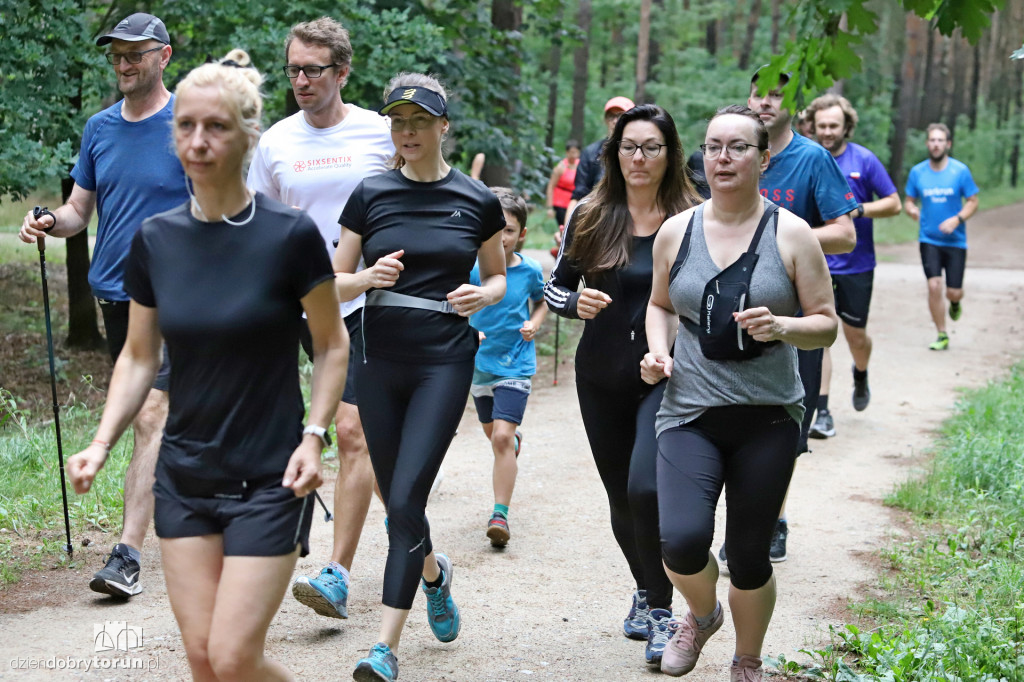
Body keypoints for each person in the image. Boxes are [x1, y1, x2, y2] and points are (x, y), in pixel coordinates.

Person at [64, 50, 348, 681]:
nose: (197, 140)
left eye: (215, 126)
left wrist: (315, 434)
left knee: (232, 656)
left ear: (247, 135)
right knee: (201, 661)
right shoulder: (156, 240)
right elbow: (140, 355)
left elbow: (331, 346)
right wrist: (102, 441)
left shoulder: (289, 235)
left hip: (269, 477)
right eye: (186, 125)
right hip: (185, 477)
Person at [642, 104, 838, 681]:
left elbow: (825, 322)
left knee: (749, 555)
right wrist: (658, 350)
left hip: (769, 415)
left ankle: (747, 659)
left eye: (737, 147)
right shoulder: (677, 231)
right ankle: (701, 616)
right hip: (689, 411)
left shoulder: (793, 233)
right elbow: (658, 304)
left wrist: (782, 326)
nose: (723, 158)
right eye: (713, 147)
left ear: (763, 159)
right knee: (679, 541)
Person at [332, 73, 506, 682]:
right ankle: (433, 575)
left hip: (444, 359)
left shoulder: (477, 199)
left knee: (405, 498)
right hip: (377, 356)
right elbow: (333, 283)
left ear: (442, 126)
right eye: (397, 121)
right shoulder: (370, 193)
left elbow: (499, 278)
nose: (406, 132)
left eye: (418, 121)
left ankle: (384, 645)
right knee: (399, 498)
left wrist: (480, 295)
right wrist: (367, 278)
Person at [18, 12, 187, 599]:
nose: (123, 63)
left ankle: (127, 554)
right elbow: (78, 213)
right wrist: (46, 220)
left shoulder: (186, 123)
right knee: (163, 417)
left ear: (163, 56)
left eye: (135, 53)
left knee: (151, 414)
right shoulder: (99, 129)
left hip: (178, 296)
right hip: (118, 295)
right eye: (116, 54)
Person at [246, 15, 394, 622]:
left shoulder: (382, 133)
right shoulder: (276, 142)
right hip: (302, 308)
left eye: (312, 69)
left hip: (371, 304)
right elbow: (257, 227)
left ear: (342, 70)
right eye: (292, 70)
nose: (300, 80)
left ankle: (337, 573)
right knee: (318, 439)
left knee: (355, 432)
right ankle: (421, 542)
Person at [545, 104, 701, 670]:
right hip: (602, 373)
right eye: (628, 147)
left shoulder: (693, 214)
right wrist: (575, 302)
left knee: (646, 488)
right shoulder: (591, 213)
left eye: (651, 147)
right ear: (613, 153)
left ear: (669, 153)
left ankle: (661, 608)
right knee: (619, 494)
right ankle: (645, 588)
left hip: (669, 372)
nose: (639, 158)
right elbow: (555, 289)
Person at [740, 65, 856, 563]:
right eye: (757, 93)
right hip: (728, 305)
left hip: (796, 308)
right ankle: (745, 516)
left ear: (794, 104)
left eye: (776, 94)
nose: (765, 102)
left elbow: (845, 233)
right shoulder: (730, 151)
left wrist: (783, 239)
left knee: (784, 418)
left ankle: (772, 516)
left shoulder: (813, 159)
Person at [804, 94, 901, 439]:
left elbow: (894, 203)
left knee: (855, 337)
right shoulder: (806, 159)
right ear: (813, 127)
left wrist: (859, 210)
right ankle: (823, 412)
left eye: (834, 125)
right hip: (815, 263)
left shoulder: (864, 159)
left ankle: (861, 373)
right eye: (822, 126)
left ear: (846, 126)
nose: (828, 132)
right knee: (819, 338)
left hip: (857, 264)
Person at [468, 187, 547, 548]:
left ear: (522, 234)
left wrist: (535, 322)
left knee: (500, 437)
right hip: (479, 365)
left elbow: (541, 302)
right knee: (495, 435)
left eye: (509, 231)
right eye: (495, 230)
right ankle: (511, 441)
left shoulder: (529, 270)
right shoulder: (470, 267)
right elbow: (458, 304)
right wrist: (469, 329)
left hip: (515, 362)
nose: (501, 239)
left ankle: (499, 514)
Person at [904, 123, 979, 351]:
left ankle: (955, 302)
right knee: (934, 286)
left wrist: (957, 219)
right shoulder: (918, 172)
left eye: (940, 141)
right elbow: (909, 200)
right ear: (927, 144)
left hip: (956, 241)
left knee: (953, 291)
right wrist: (911, 210)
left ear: (948, 144)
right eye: (932, 140)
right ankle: (942, 333)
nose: (936, 145)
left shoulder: (960, 171)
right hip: (929, 239)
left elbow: (973, 201)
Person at [565, 95, 636, 216]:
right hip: (597, 217)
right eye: (611, 116)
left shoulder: (641, 153)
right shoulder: (590, 153)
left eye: (620, 116)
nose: (615, 120)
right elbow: (578, 196)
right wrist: (567, 230)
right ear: (605, 120)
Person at [546, 139, 581, 227]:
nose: (574, 155)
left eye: (576, 152)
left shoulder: (581, 165)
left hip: (574, 201)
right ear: (567, 152)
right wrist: (549, 207)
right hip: (560, 203)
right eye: (572, 152)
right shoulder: (560, 167)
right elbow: (551, 186)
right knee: (565, 226)